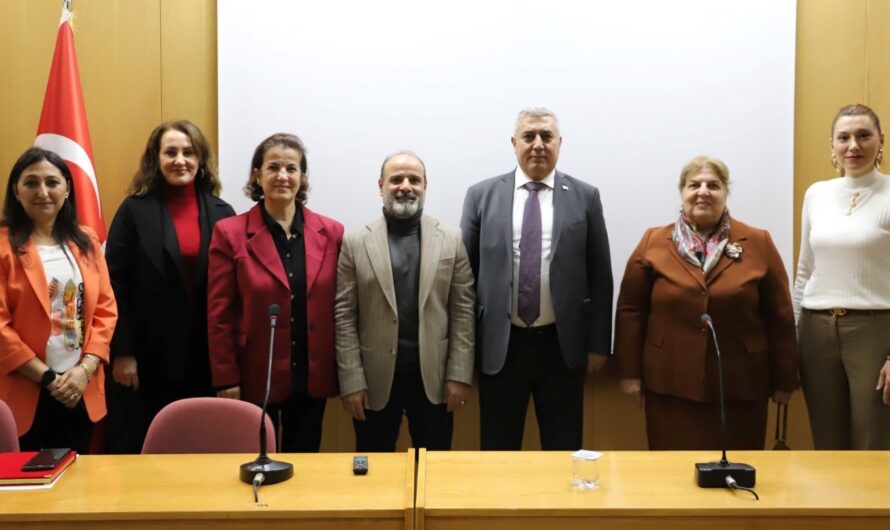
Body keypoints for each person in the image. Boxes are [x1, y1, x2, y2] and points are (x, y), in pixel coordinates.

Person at [614, 155, 797, 449]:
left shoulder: (758, 241)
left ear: (726, 193)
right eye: (694, 184)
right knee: (673, 476)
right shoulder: (653, 242)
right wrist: (629, 373)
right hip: (669, 381)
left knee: (737, 471)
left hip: (741, 384)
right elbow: (630, 311)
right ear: (682, 193)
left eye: (713, 185)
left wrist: (784, 379)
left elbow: (780, 315)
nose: (703, 191)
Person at [460, 107, 613, 450]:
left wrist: (600, 345)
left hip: (561, 346)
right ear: (514, 143)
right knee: (497, 449)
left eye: (547, 136)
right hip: (500, 346)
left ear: (560, 143)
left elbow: (601, 276)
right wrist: (463, 350)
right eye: (529, 137)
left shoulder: (586, 197)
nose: (538, 144)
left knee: (563, 447)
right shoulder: (480, 195)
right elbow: (464, 280)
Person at [104, 120, 236, 453]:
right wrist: (123, 352)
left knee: (201, 447)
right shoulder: (133, 211)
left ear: (201, 159)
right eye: (170, 152)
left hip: (205, 360)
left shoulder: (223, 213)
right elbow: (113, 286)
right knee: (146, 450)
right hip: (146, 361)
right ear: (155, 159)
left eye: (189, 152)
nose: (180, 160)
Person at [208, 133, 343, 452]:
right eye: (273, 167)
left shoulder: (332, 232)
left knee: (306, 465)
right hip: (255, 373)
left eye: (292, 168)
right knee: (256, 466)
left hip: (312, 375)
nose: (283, 176)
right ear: (258, 174)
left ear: (303, 177)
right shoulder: (230, 233)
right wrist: (225, 378)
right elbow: (219, 315)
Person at [335, 151, 474, 451]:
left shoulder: (451, 239)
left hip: (434, 381)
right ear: (381, 185)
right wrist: (352, 382)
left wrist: (460, 375)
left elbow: (463, 312)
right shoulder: (355, 242)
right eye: (396, 179)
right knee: (375, 476)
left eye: (415, 179)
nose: (406, 186)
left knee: (434, 474)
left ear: (426, 186)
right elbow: (344, 317)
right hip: (374, 381)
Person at [0, 147, 117, 454]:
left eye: (52, 182)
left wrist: (85, 370)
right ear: (16, 190)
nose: (43, 192)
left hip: (81, 389)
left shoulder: (87, 241)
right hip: (25, 391)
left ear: (67, 188)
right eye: (31, 183)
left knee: (80, 490)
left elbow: (106, 311)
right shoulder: (3, 247)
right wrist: (50, 378)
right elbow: (1, 328)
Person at [793, 103, 890, 450]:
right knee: (827, 444)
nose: (854, 145)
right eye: (844, 137)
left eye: (864, 136)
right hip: (815, 330)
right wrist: (793, 335)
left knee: (872, 442)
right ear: (831, 145)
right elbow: (804, 271)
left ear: (880, 140)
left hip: (875, 332)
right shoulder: (816, 194)